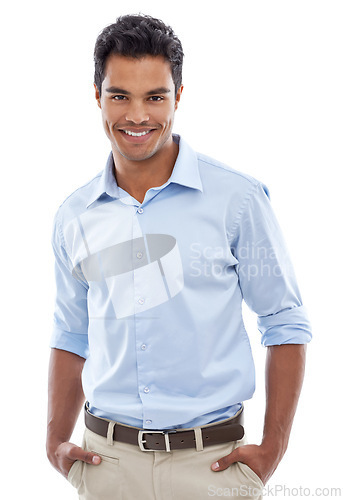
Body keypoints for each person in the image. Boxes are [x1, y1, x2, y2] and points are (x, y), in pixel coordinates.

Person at [46, 14, 312, 500]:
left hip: (212, 468)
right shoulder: (75, 215)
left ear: (179, 96)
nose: (137, 115)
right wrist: (53, 441)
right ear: (97, 95)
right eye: (119, 95)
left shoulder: (237, 200)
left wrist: (272, 448)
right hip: (106, 466)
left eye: (155, 96)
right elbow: (71, 332)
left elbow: (285, 323)